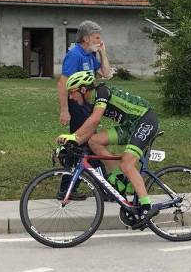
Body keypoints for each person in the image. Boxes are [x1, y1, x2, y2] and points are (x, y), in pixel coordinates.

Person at [56, 71, 160, 228]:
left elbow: (95, 119)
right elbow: (90, 129)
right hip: (130, 126)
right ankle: (118, 178)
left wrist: (74, 136)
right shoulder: (91, 102)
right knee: (94, 141)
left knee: (127, 163)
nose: (70, 97)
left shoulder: (101, 92)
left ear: (83, 90)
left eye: (72, 92)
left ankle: (146, 208)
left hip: (145, 121)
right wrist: (71, 143)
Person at [56, 20, 111, 199]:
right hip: (77, 104)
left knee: (84, 145)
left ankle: (69, 188)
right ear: (86, 38)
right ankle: (103, 188)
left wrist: (103, 52)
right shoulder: (75, 55)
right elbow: (63, 83)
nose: (100, 40)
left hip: (87, 104)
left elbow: (106, 73)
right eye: (97, 37)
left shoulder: (89, 55)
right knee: (83, 144)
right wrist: (65, 110)